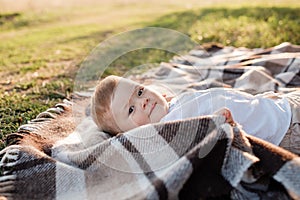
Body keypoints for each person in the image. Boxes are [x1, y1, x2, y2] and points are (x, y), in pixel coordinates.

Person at [91, 75, 300, 155]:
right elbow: (201, 145)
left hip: (277, 103)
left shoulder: (170, 107)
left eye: (139, 91)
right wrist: (215, 124)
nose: (143, 100)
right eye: (130, 109)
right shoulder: (168, 132)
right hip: (287, 127)